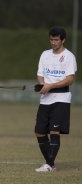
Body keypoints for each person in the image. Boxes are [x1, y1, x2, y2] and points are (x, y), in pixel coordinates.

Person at [35, 27, 77, 172]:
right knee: (39, 132)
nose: (53, 42)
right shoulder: (45, 54)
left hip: (61, 99)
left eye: (56, 40)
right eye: (51, 39)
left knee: (54, 132)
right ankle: (50, 164)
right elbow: (40, 74)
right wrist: (42, 84)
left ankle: (48, 164)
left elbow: (70, 79)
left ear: (63, 40)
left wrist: (51, 85)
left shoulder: (69, 56)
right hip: (45, 99)